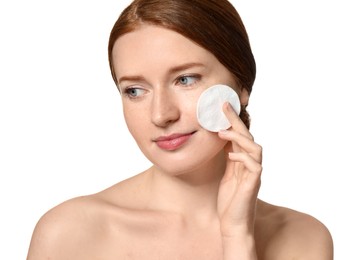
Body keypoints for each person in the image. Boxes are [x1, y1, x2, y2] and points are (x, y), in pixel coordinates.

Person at [27, 0, 334, 259]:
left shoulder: (303, 239)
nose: (161, 115)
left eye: (185, 79)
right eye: (135, 90)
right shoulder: (68, 235)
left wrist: (237, 237)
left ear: (241, 85)